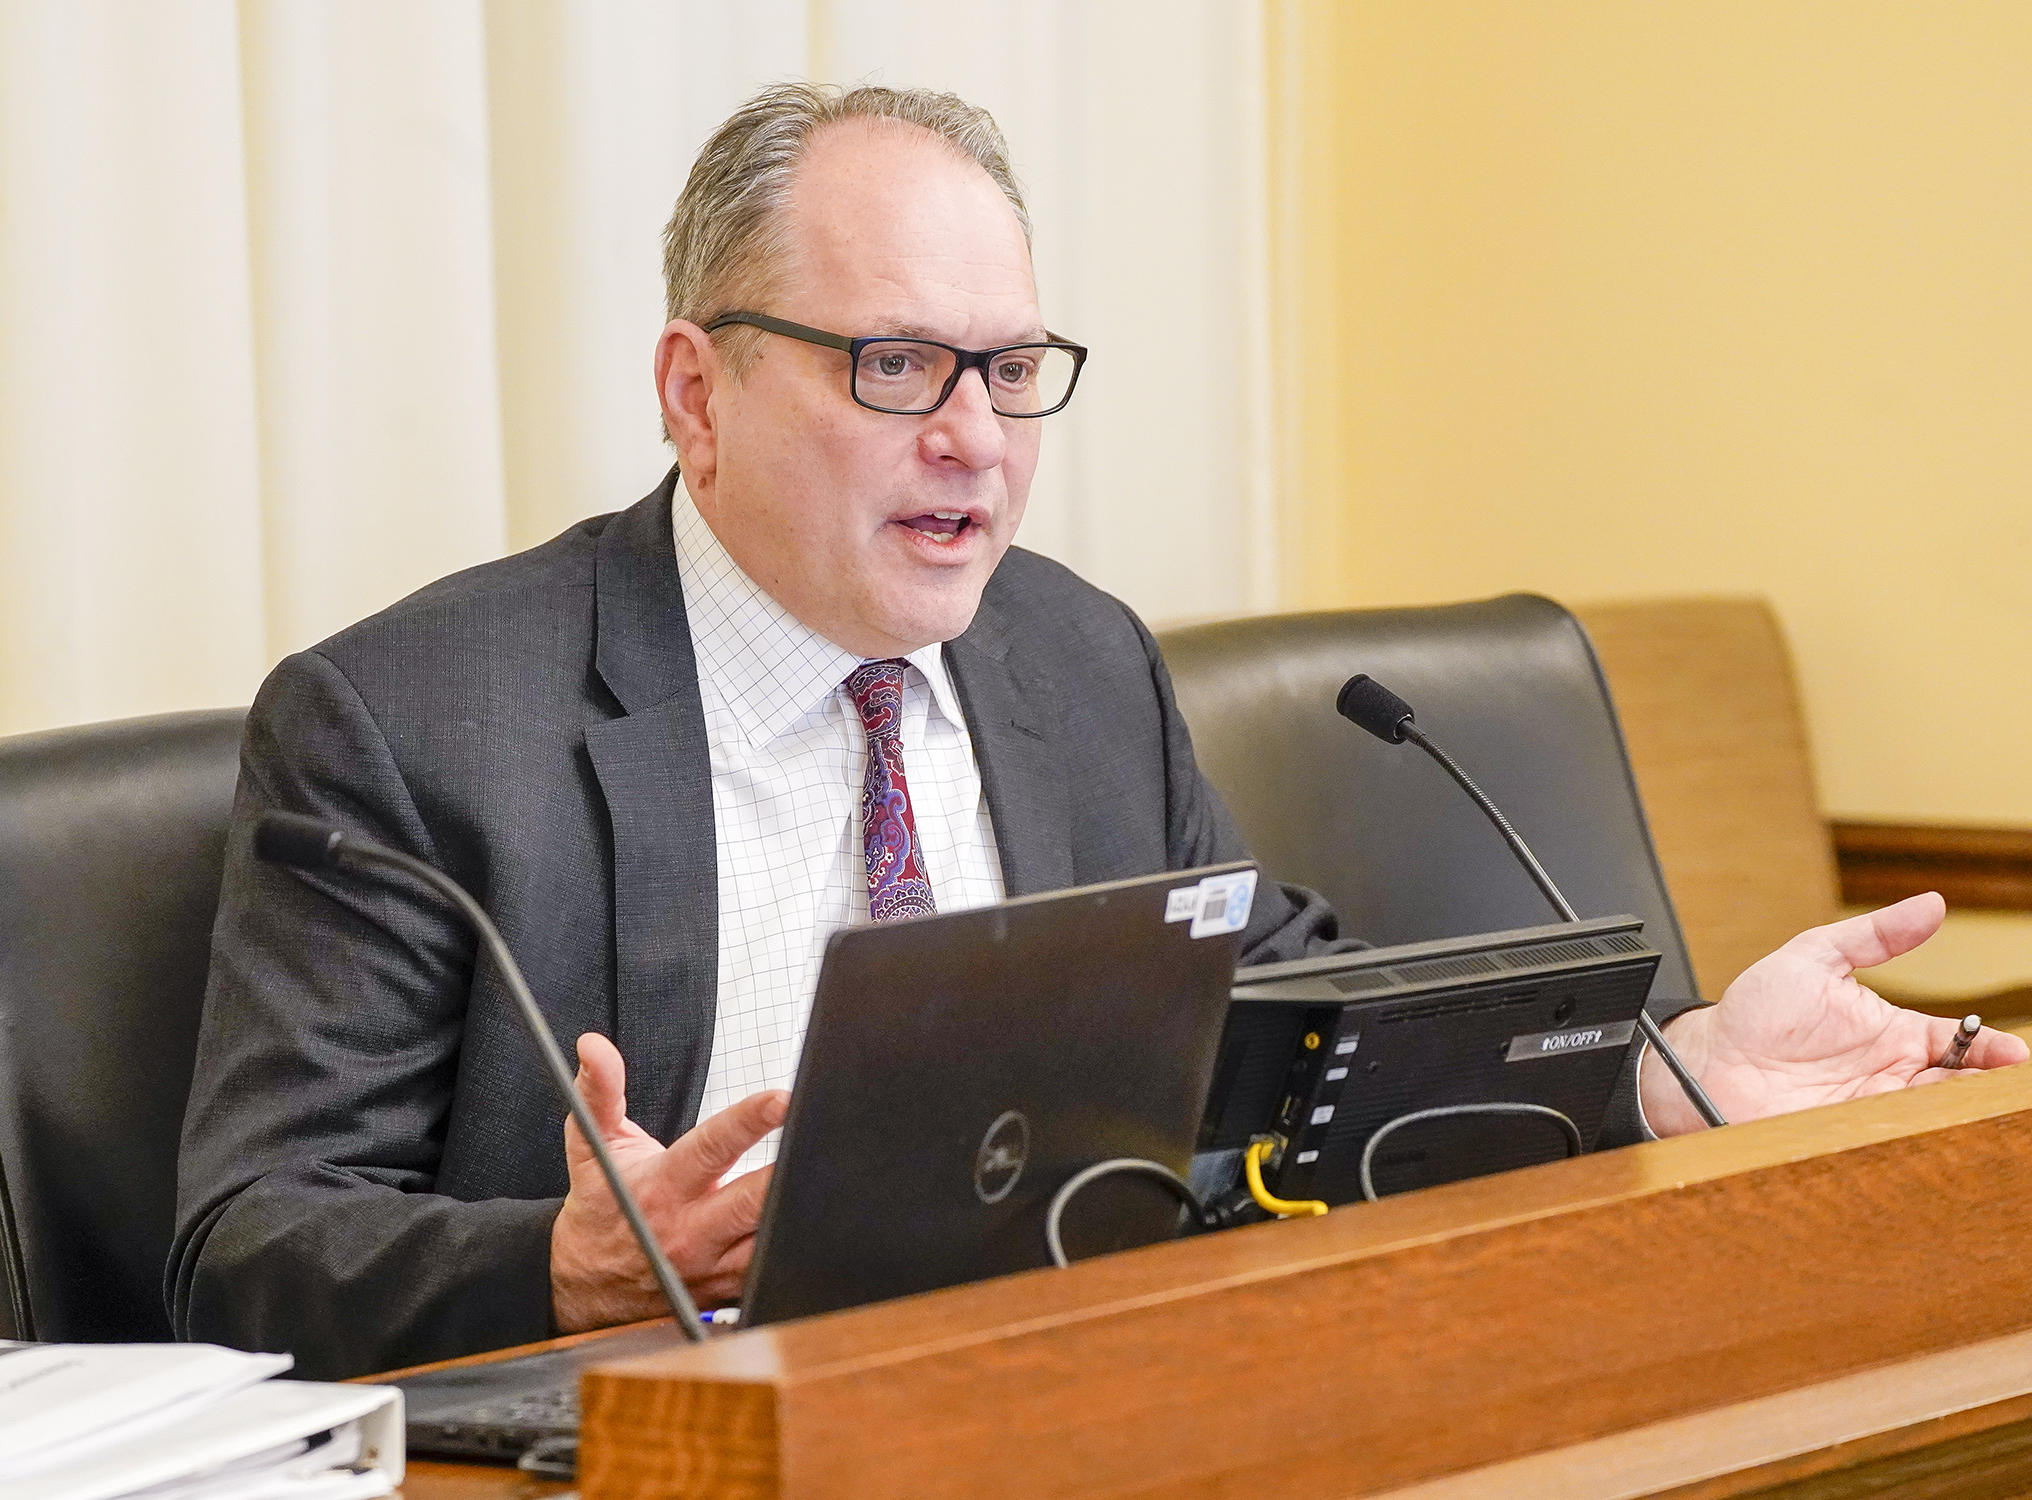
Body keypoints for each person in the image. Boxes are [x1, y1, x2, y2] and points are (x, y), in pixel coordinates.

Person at [169, 83, 2025, 1381]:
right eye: (893, 366)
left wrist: (1666, 1063)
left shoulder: (1072, 663)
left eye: (1011, 369)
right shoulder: (408, 728)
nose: (975, 435)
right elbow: (241, 1244)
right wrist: (563, 1268)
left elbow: (1299, 1028)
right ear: (695, 392)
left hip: (1071, 1400)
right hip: (681, 1436)